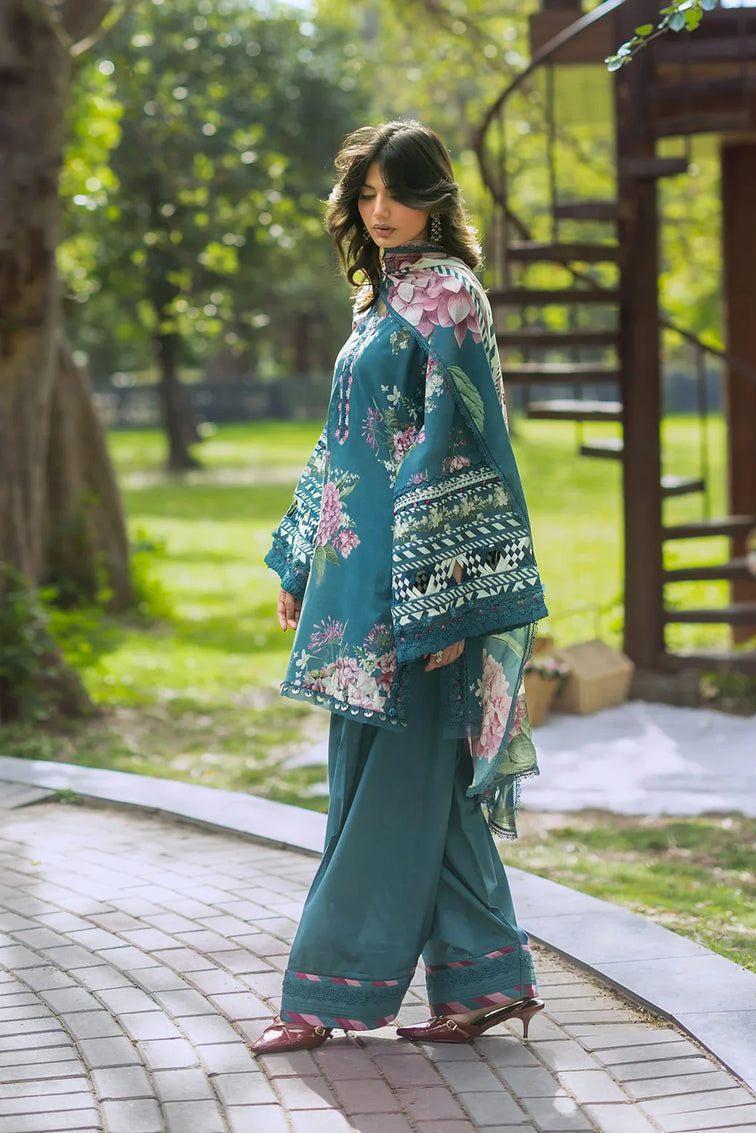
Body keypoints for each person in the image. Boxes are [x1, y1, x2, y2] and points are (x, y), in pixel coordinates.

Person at [252, 120, 548, 1055]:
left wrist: (449, 597)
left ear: (435, 197)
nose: (380, 211)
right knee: (417, 787)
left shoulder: (449, 298)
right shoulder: (379, 299)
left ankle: (323, 991)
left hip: (420, 590)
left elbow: (460, 448)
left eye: (398, 194)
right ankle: (487, 980)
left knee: (390, 795)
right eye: (367, 195)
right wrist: (301, 558)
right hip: (357, 583)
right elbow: (342, 440)